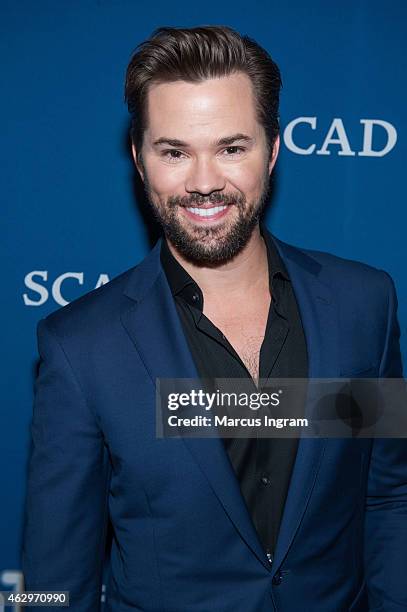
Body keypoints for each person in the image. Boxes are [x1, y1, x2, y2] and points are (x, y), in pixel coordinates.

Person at [22, 25, 406, 612]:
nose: (204, 183)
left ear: (273, 150)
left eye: (232, 148)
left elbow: (387, 500)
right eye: (175, 152)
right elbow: (52, 584)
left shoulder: (364, 306)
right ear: (138, 158)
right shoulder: (81, 347)